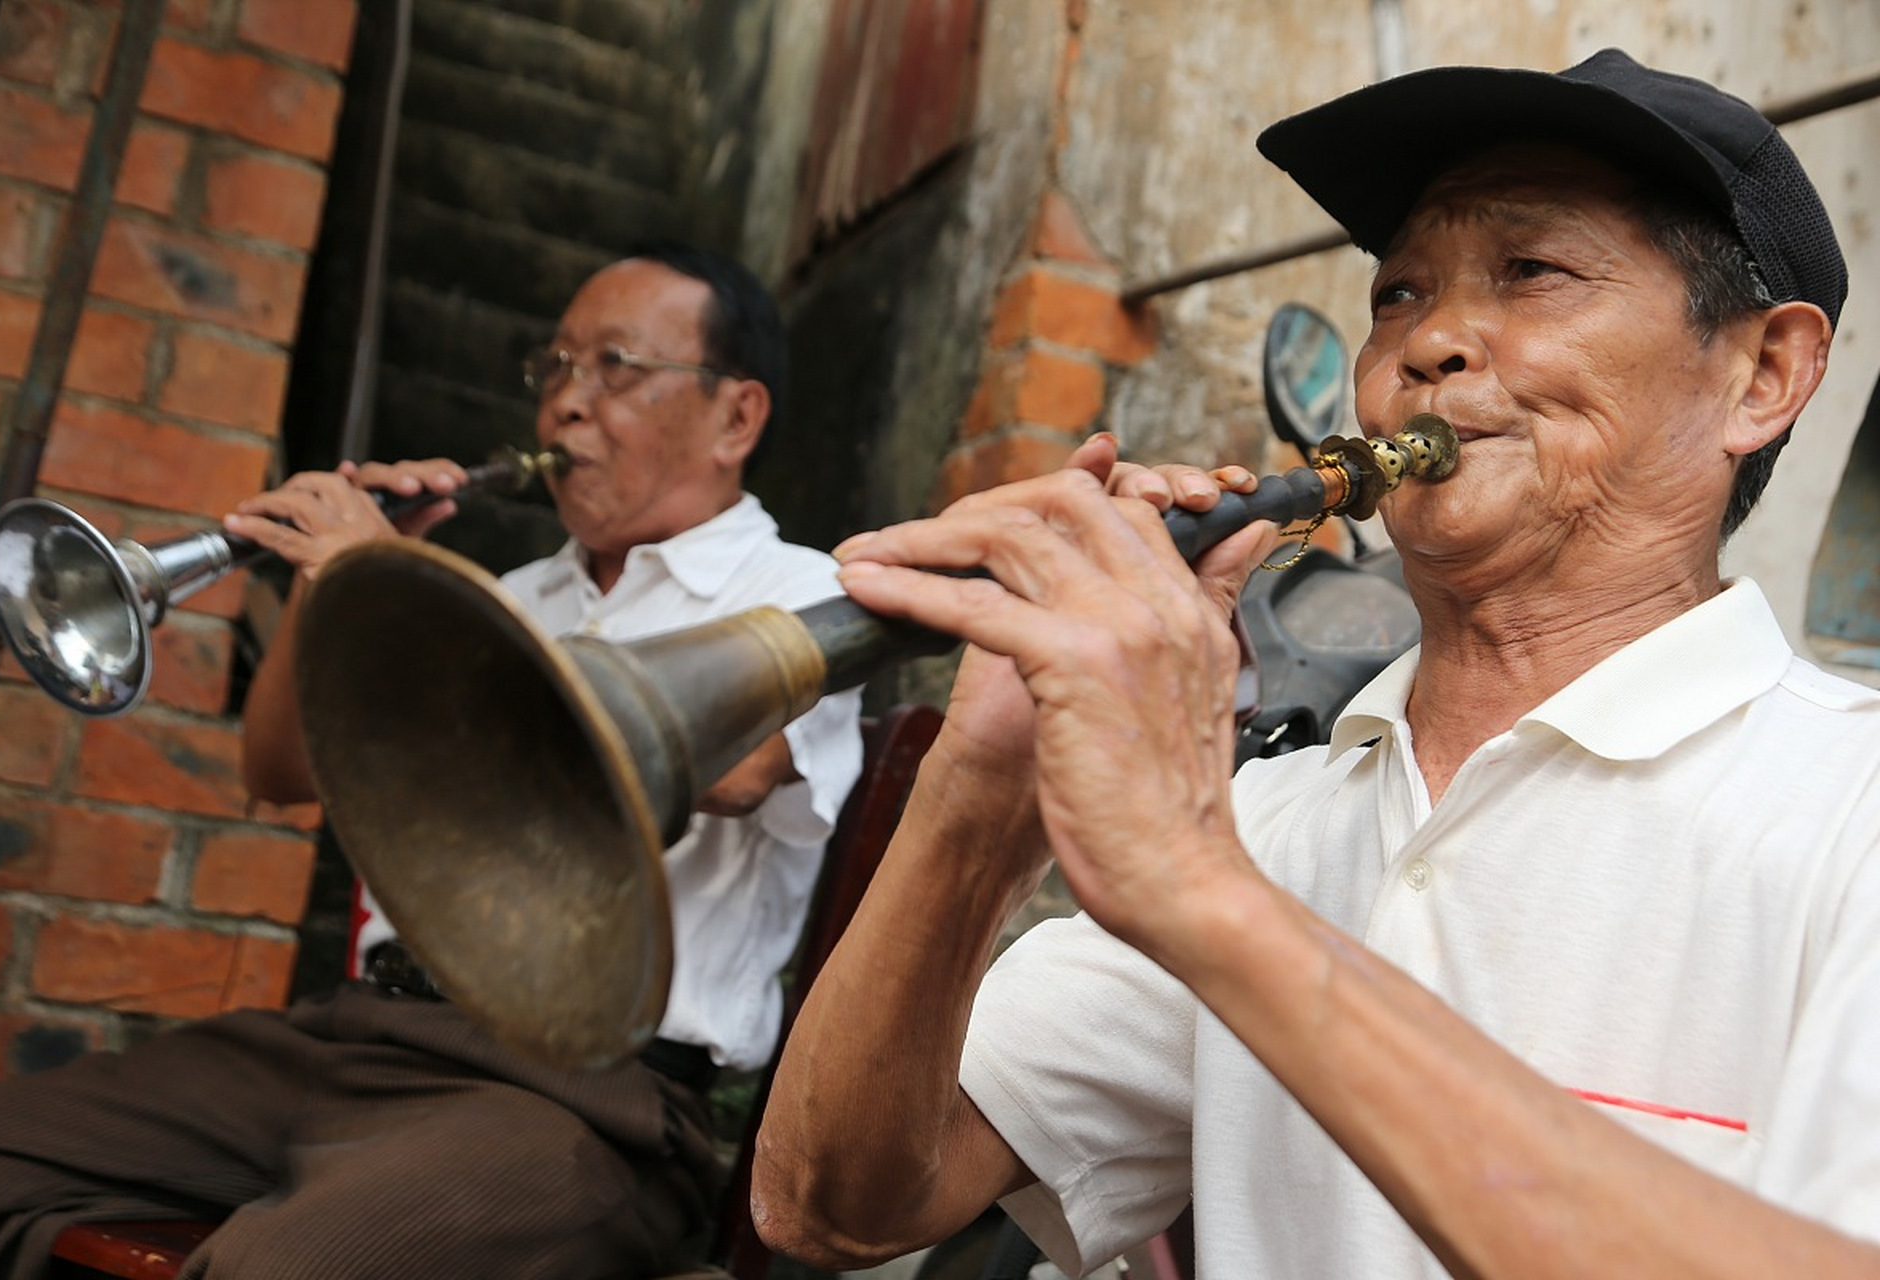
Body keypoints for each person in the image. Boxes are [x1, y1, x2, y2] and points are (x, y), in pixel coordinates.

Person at [750, 49, 1880, 1279]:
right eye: (1399, 293)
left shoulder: (1850, 808)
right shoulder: (1266, 821)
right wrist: (981, 793)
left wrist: (1203, 893)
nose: (1428, 341)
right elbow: (833, 1205)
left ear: (1763, 373)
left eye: (1533, 272)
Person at [0, 243, 863, 1279]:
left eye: (616, 366)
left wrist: (386, 577)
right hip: (359, 1034)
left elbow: (736, 767)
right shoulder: (515, 596)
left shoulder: (804, 593)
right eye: (556, 366)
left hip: (579, 1097)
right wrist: (334, 589)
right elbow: (283, 771)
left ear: (736, 417)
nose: (566, 402)